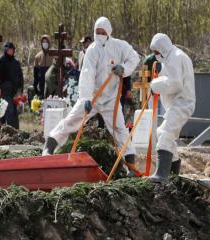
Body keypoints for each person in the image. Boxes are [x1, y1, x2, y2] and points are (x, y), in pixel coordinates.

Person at [43, 17, 140, 176]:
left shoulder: (119, 46)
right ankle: (49, 146)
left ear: (108, 32)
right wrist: (86, 98)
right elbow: (87, 75)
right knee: (72, 120)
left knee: (119, 130)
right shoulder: (92, 50)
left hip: (110, 100)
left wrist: (124, 68)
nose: (100, 34)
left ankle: (131, 166)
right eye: (97, 32)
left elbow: (134, 57)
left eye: (103, 32)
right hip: (93, 98)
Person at [148, 33, 195, 183]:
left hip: (182, 103)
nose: (156, 55)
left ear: (162, 47)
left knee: (165, 133)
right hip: (176, 104)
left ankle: (162, 175)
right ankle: (173, 175)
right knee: (164, 134)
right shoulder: (170, 57)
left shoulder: (175, 56)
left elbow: (175, 83)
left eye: (156, 51)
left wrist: (154, 85)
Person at [0, 42, 24, 129]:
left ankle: (14, 130)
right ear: (5, 50)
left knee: (13, 111)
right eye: (9, 50)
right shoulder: (2, 60)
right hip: (5, 89)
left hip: (15, 90)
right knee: (8, 109)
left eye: (12, 50)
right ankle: (8, 130)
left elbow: (20, 76)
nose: (11, 51)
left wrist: (20, 90)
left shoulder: (16, 62)